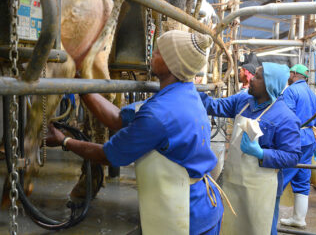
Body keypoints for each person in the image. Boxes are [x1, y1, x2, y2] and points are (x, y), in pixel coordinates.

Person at [46, 30, 227, 235]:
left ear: (170, 63)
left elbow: (109, 155)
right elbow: (117, 118)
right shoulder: (184, 95)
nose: (152, 54)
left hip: (188, 217)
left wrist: (64, 141)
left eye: (158, 52)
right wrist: (80, 82)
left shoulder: (158, 114)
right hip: (202, 204)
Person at [199, 62, 302, 235]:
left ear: (270, 84)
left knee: (260, 227)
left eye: (258, 77)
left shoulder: (285, 117)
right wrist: (188, 89)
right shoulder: (243, 101)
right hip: (233, 180)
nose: (252, 79)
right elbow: (214, 106)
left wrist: (261, 153)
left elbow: (292, 156)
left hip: (261, 188)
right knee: (230, 224)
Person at [280, 64, 316, 228]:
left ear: (295, 74)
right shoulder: (312, 94)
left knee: (280, 178)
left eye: (290, 74)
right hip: (310, 140)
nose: (288, 77)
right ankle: (299, 218)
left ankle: (267, 217)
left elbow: (288, 117)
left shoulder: (290, 91)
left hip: (295, 140)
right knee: (302, 179)